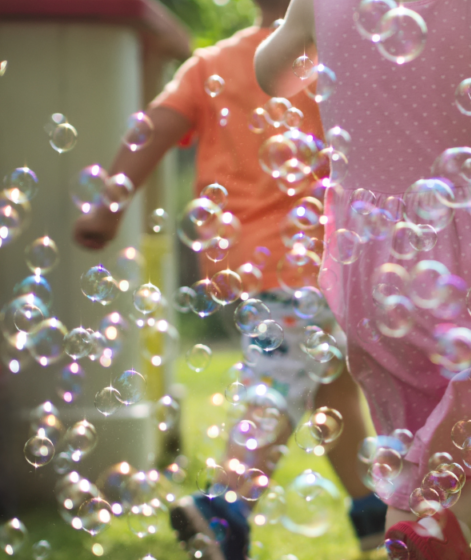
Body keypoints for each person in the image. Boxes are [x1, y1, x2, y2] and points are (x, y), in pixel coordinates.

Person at [255, 0, 471, 557]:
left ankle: (414, 539)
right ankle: (444, 534)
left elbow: (273, 75)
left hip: (369, 257)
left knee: (410, 453)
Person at [71, 0, 389, 557]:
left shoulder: (210, 64)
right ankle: (227, 508)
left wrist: (107, 207)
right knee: (295, 385)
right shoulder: (337, 58)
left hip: (256, 262)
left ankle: (374, 521)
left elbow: (153, 131)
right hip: (326, 259)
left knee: (323, 389)